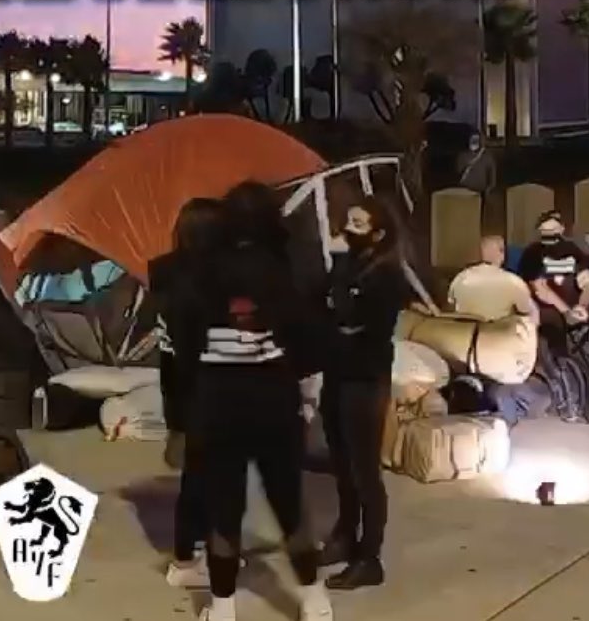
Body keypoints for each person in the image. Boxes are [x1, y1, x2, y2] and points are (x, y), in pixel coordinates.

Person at [169, 181, 332, 621]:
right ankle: (314, 600)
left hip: (218, 403)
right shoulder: (285, 268)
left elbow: (183, 342)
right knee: (289, 502)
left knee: (225, 508)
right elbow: (308, 338)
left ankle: (223, 607)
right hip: (273, 401)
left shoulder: (200, 272)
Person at [318, 196, 409, 592]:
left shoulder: (386, 274)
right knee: (340, 462)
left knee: (364, 470)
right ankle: (345, 534)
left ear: (378, 232)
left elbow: (350, 318)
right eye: (348, 221)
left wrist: (338, 279)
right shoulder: (354, 266)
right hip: (338, 373)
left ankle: (369, 557)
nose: (348, 230)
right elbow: (327, 309)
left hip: (365, 379)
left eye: (358, 224)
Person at [147, 197, 227, 591]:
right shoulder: (207, 282)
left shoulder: (163, 270)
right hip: (208, 390)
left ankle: (194, 552)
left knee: (197, 477)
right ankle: (189, 559)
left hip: (176, 386)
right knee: (207, 479)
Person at [518, 212, 589, 369]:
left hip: (573, 303)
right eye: (545, 232)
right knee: (551, 322)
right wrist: (566, 311)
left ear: (562, 229)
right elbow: (539, 289)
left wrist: (582, 306)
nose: (550, 236)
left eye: (554, 230)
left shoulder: (575, 251)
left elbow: (588, 284)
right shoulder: (532, 253)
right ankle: (558, 370)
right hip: (546, 306)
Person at [447, 234, 537, 323]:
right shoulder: (513, 281)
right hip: (499, 334)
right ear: (502, 254)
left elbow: (451, 305)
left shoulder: (460, 278)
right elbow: (526, 311)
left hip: (466, 334)